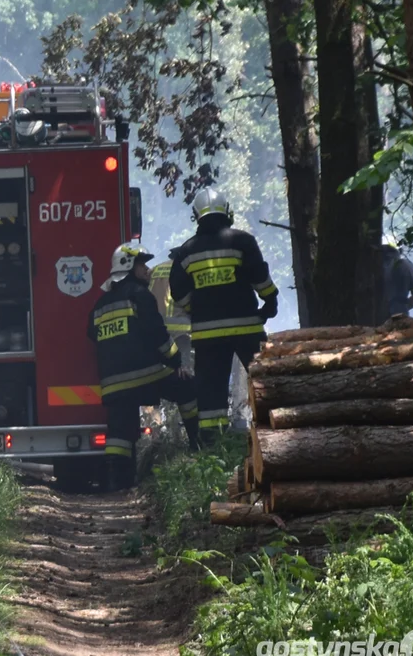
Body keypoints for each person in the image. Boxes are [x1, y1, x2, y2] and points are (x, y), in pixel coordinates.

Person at [169, 187, 279, 446]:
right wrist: (270, 301)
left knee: (210, 393)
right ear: (227, 210)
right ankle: (272, 434)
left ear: (197, 215)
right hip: (247, 330)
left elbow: (179, 292)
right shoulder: (242, 241)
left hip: (208, 335)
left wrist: (196, 308)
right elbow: (259, 276)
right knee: (263, 383)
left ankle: (212, 447)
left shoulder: (186, 251)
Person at [89, 244, 201, 491]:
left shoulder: (100, 304)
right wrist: (176, 362)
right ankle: (199, 446)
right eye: (142, 264)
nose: (147, 269)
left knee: (120, 432)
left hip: (113, 384)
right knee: (187, 388)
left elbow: (91, 333)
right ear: (129, 266)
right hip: (147, 375)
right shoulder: (140, 296)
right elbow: (157, 334)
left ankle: (118, 483)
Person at [381, 236, 413, 321]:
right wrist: (403, 305)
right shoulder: (406, 265)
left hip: (375, 317)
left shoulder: (375, 268)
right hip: (399, 313)